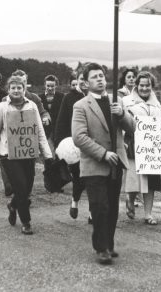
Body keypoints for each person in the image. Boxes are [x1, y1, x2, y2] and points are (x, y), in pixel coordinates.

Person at [72, 63, 135, 265]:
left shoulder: (117, 102)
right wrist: (102, 153)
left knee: (113, 207)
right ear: (86, 82)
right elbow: (79, 137)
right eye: (94, 77)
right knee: (100, 207)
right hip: (94, 165)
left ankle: (108, 243)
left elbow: (132, 127)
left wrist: (122, 114)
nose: (99, 79)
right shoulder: (81, 106)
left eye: (101, 76)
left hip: (115, 164)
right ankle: (101, 248)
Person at [0, 75, 53, 235]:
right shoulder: (1, 108)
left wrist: (48, 156)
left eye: (19, 87)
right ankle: (26, 222)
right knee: (20, 186)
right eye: (13, 87)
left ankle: (13, 206)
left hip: (28, 153)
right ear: (8, 89)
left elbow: (39, 132)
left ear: (24, 88)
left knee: (26, 188)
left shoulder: (32, 106)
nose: (16, 90)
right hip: (8, 155)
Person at [122, 71, 161, 225]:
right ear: (136, 85)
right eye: (141, 85)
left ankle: (148, 214)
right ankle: (130, 199)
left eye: (147, 85)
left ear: (152, 86)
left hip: (152, 148)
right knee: (134, 180)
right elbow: (122, 122)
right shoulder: (126, 101)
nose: (144, 88)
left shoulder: (156, 103)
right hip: (133, 145)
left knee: (150, 182)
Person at [53, 70, 90, 222]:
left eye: (86, 79)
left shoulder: (96, 97)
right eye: (80, 79)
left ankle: (92, 212)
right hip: (73, 145)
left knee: (93, 179)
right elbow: (61, 121)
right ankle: (75, 201)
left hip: (93, 144)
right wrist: (59, 144)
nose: (83, 82)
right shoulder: (69, 98)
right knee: (79, 178)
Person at [39, 74, 64, 144]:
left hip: (58, 131)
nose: (50, 88)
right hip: (44, 131)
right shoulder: (38, 98)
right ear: (44, 85)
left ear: (56, 85)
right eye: (48, 86)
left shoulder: (62, 97)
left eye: (52, 86)